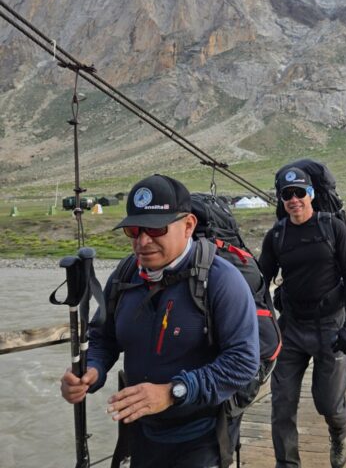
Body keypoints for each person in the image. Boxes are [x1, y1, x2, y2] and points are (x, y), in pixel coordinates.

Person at [60, 174, 260, 468]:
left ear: (188, 225)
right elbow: (103, 336)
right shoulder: (126, 274)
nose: (143, 241)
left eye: (156, 229)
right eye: (134, 230)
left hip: (202, 437)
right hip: (143, 431)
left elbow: (243, 362)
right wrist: (92, 370)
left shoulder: (222, 280)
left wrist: (173, 391)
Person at [259, 167, 346, 468]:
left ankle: (339, 433)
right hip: (291, 327)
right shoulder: (276, 235)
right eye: (287, 195)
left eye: (299, 192)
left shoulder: (332, 228)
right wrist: (259, 320)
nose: (294, 200)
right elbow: (260, 280)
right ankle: (287, 463)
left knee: (327, 403)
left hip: (330, 326)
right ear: (281, 199)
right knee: (282, 403)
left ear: (311, 194)